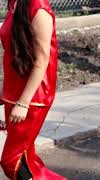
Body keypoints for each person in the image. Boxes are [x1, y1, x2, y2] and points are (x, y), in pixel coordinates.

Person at [0, 0, 66, 179]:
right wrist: (4, 94)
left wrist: (23, 103)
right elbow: (13, 53)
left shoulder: (39, 8)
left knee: (11, 161)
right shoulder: (15, 4)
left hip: (33, 97)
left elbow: (42, 60)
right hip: (13, 94)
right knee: (27, 159)